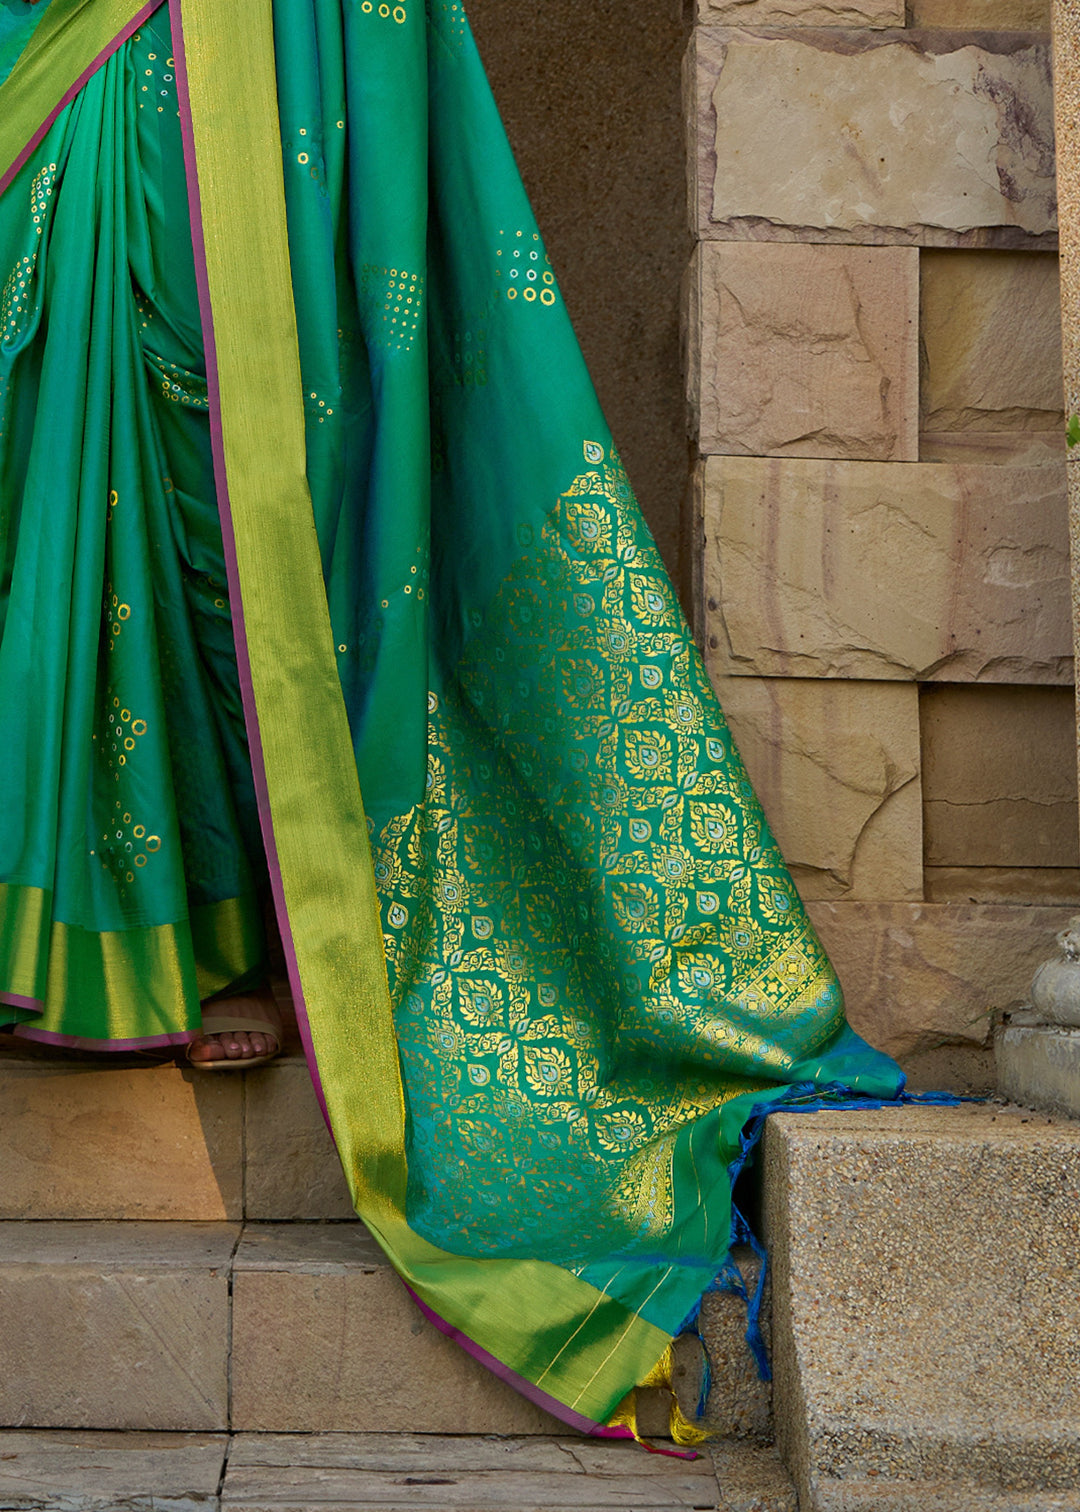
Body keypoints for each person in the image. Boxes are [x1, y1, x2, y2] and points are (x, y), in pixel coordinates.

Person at [0, 0, 902, 1442]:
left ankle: (257, 927)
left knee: (266, 450)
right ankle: (118, 911)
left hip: (295, 44)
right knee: (71, 391)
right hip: (70, 41)